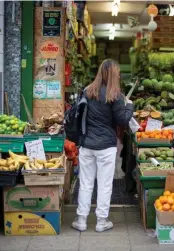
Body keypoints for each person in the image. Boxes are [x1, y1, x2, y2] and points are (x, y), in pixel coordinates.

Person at [71, 59, 134, 232]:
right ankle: (101, 221)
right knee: (105, 184)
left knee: (85, 183)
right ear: (114, 75)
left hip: (87, 144)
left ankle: (81, 220)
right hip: (106, 146)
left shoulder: (87, 91)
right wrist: (130, 106)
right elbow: (122, 120)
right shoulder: (115, 95)